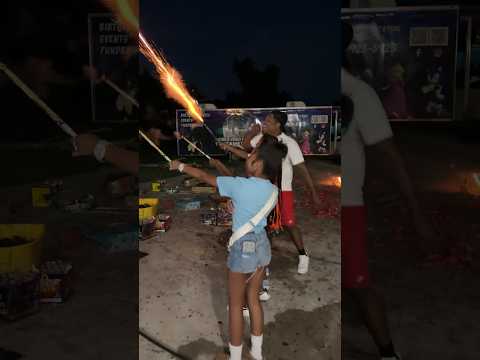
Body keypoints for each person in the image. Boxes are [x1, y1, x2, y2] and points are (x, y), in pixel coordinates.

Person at [341, 21, 438, 360]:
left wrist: (416, 214)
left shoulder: (358, 94)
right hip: (315, 205)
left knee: (359, 285)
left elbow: (391, 160)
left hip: (347, 208)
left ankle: (388, 354)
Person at [169, 140, 288, 360]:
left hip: (243, 250)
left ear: (259, 165)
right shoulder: (273, 190)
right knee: (253, 300)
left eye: (251, 157)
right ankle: (257, 352)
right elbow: (251, 210)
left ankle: (234, 358)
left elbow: (205, 177)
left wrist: (181, 167)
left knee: (234, 306)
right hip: (262, 247)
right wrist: (235, 206)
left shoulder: (240, 185)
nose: (248, 159)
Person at [241, 111, 321, 275]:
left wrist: (313, 193)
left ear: (278, 124)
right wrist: (252, 132)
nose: (265, 123)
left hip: (283, 191)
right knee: (264, 225)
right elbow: (246, 147)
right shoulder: (261, 139)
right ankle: (264, 262)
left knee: (289, 223)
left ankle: (303, 255)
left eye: (269, 121)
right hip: (263, 190)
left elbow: (302, 170)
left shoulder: (290, 143)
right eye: (266, 120)